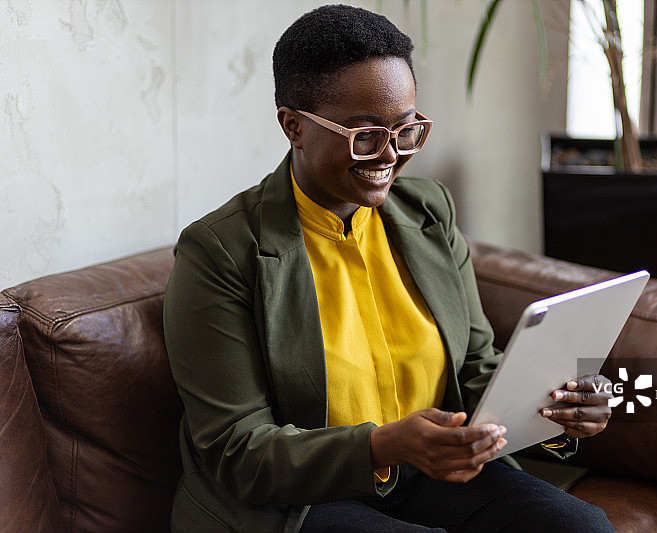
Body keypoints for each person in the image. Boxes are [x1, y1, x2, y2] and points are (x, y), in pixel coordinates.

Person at [163, 4, 615, 532]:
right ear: (294, 126)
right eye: (365, 135)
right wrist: (384, 445)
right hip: (301, 499)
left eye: (406, 129)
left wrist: (557, 410)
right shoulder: (220, 252)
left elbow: (475, 366)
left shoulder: (428, 211)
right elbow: (238, 450)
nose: (390, 155)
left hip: (431, 474)